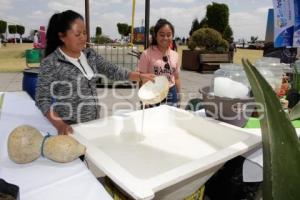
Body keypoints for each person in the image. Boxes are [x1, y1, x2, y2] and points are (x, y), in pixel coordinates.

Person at [35, 10, 154, 135]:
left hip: (94, 124)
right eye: (77, 34)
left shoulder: (90, 55)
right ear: (62, 36)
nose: (83, 38)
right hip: (71, 130)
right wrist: (60, 125)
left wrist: (140, 76)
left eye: (85, 33)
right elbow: (42, 99)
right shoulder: (51, 63)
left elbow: (113, 70)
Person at [137, 18, 181, 107]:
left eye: (169, 35)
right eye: (162, 35)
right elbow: (142, 79)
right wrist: (144, 100)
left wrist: (178, 96)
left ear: (172, 36)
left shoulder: (175, 55)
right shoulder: (146, 54)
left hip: (171, 93)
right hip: (152, 92)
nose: (165, 38)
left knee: (170, 119)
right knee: (153, 120)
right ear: (156, 36)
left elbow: (176, 78)